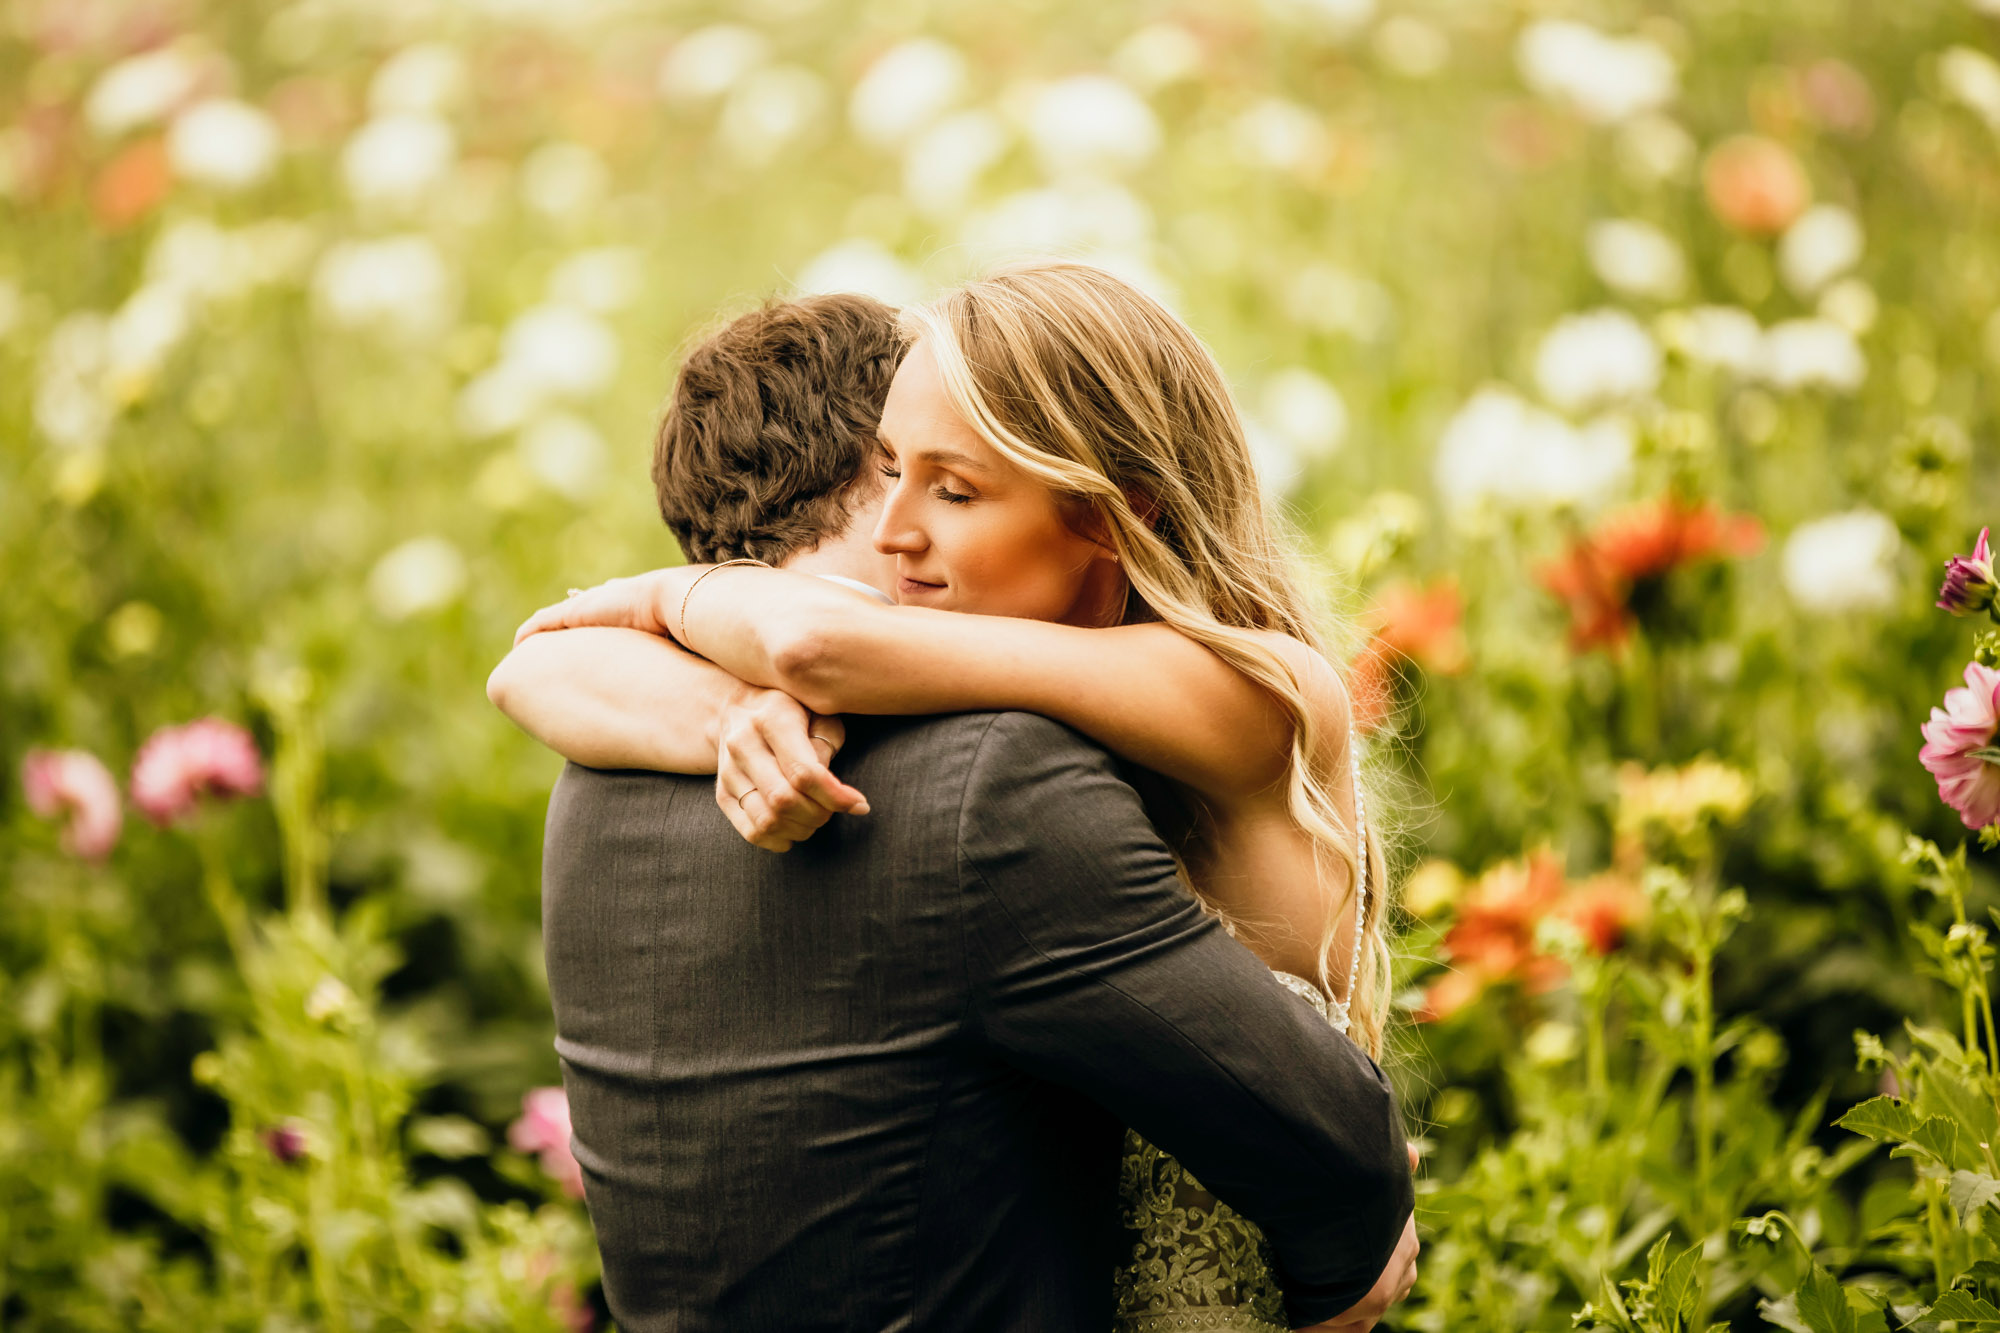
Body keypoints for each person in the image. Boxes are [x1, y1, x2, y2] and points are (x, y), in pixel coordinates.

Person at [494, 268, 1417, 1331]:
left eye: (954, 486)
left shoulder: (1252, 693)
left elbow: (814, 641)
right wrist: (728, 702)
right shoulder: (1000, 739)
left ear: (1110, 510)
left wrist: (668, 599)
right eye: (889, 469)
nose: (895, 534)